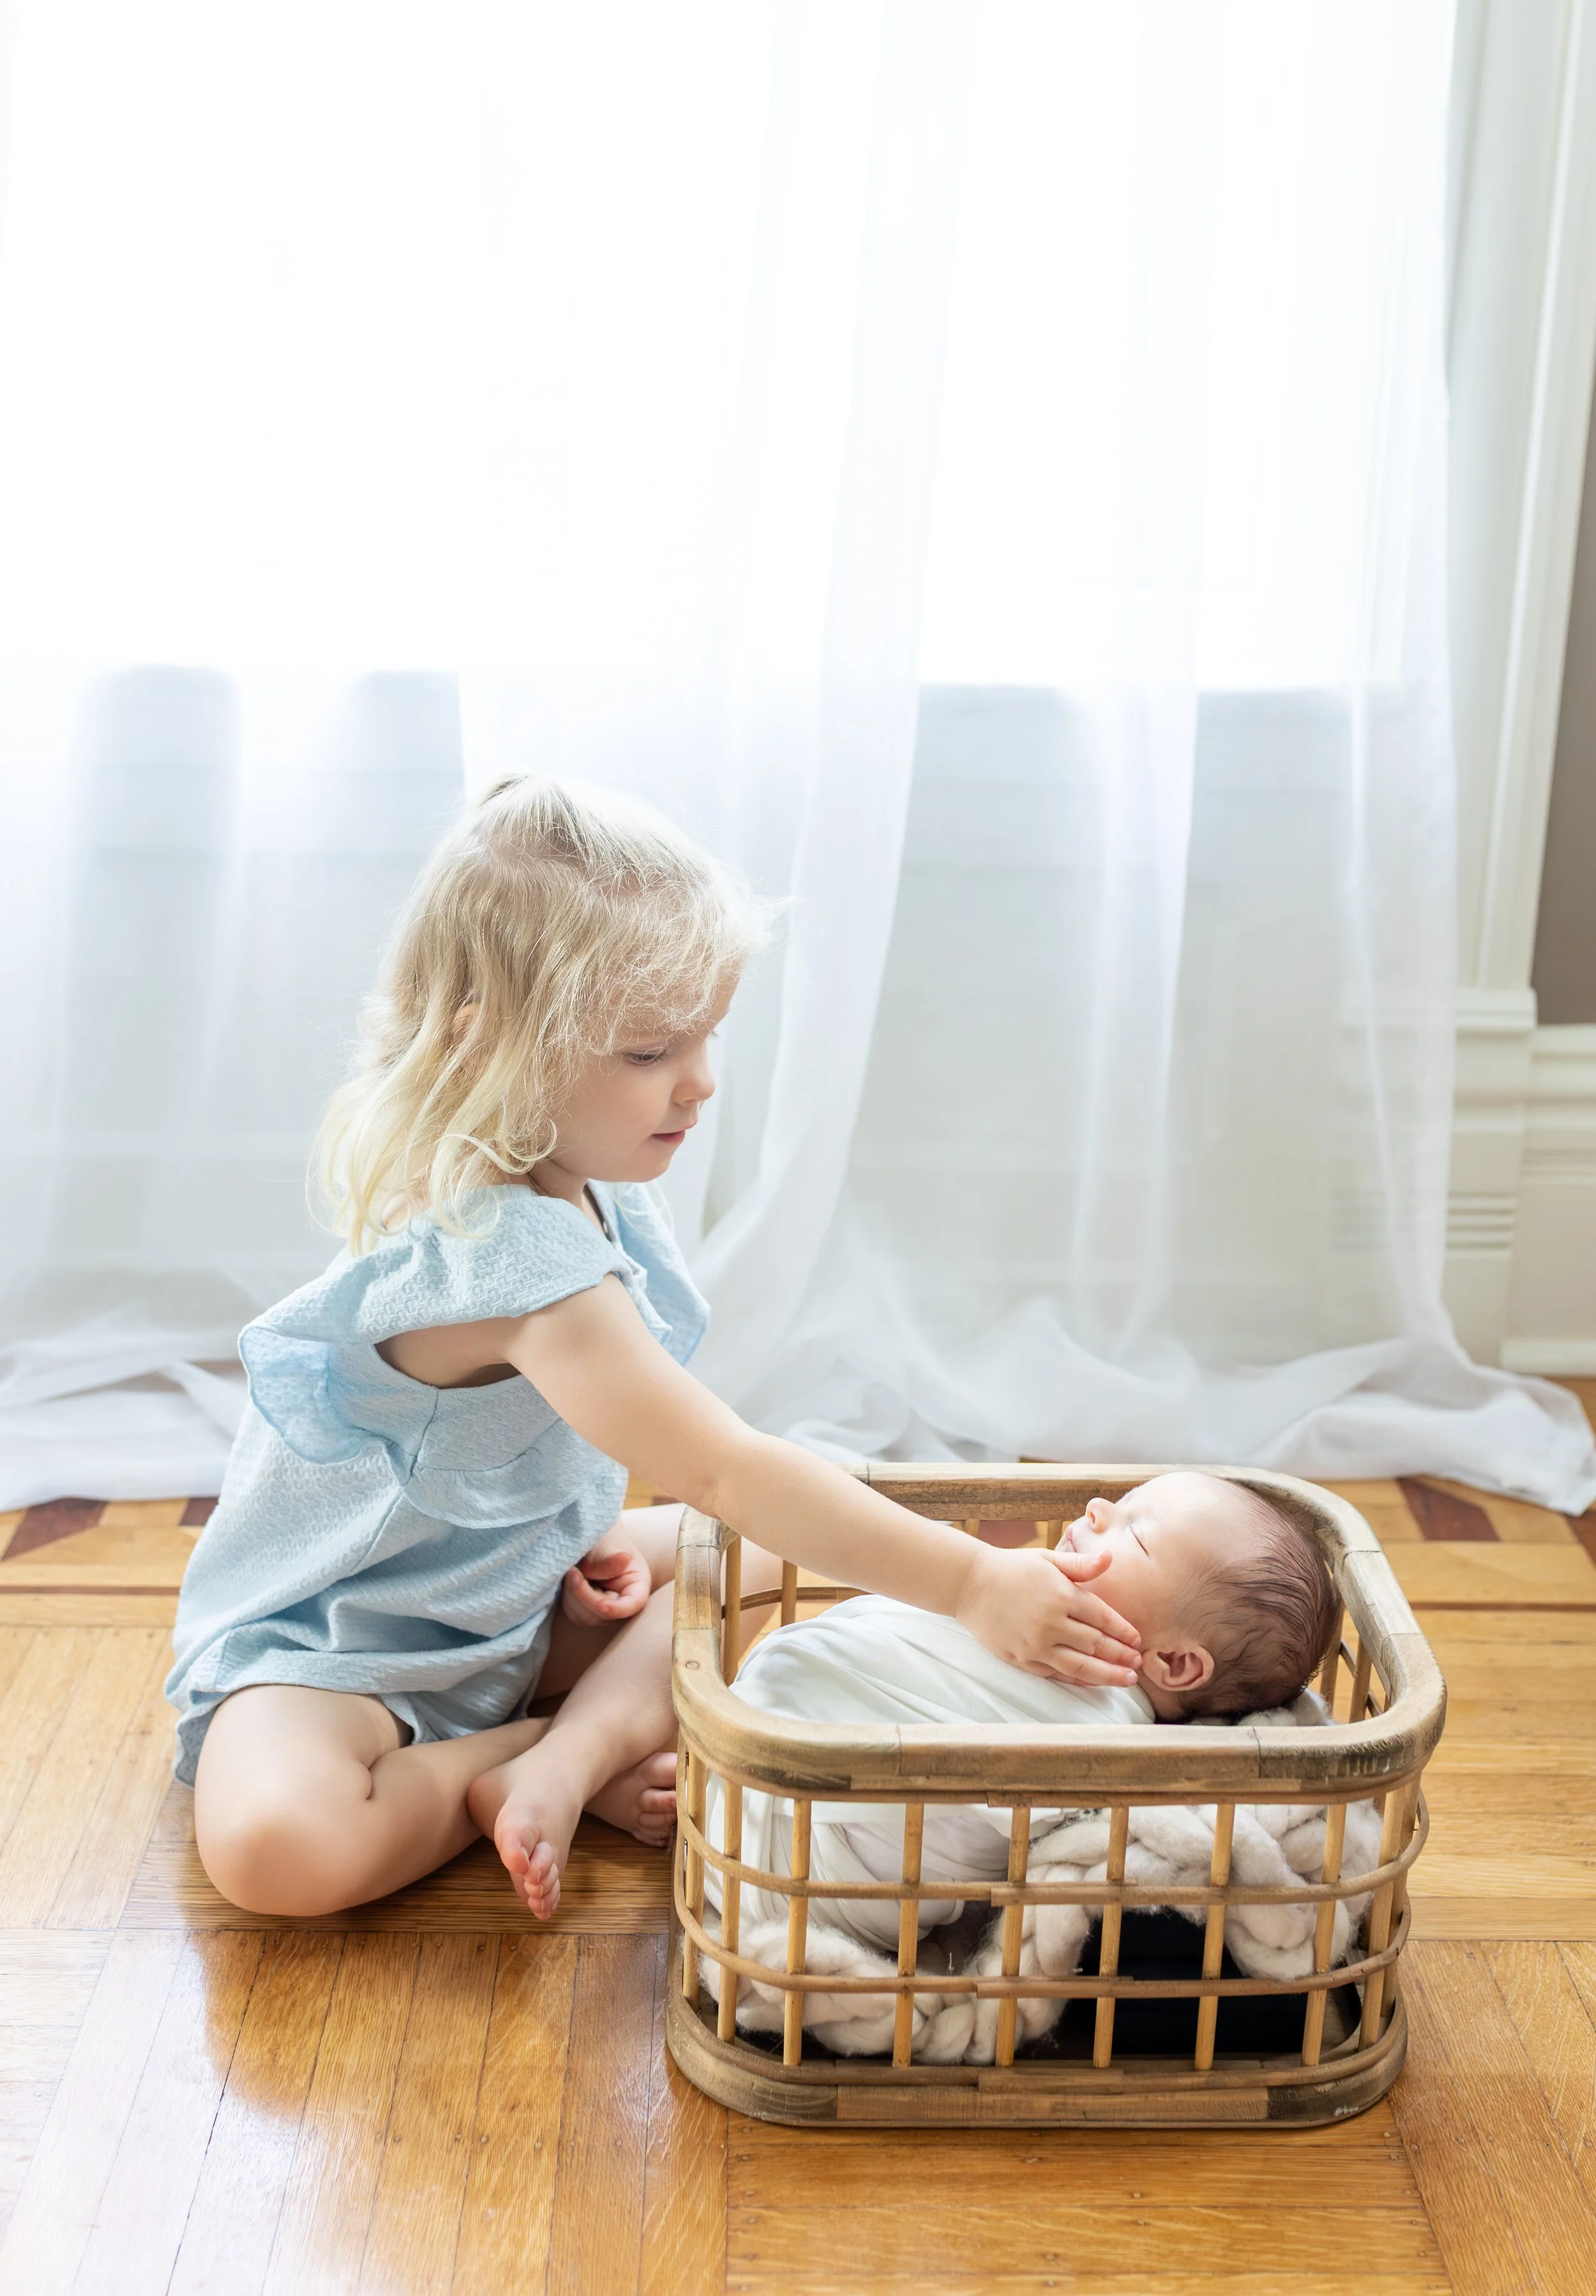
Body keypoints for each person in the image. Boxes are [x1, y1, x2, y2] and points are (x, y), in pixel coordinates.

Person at [167, 780, 1144, 1921]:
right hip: (351, 1647)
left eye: (707, 1034)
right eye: (649, 1050)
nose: (702, 1079)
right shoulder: (499, 1250)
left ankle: (558, 1760)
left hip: (514, 1598)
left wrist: (581, 1549)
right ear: (487, 1047)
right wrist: (972, 1580)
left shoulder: (586, 1178)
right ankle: (552, 1754)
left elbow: (680, 1479)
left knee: (767, 1546)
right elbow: (718, 1463)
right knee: (280, 1851)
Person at [702, 1469, 1341, 1968]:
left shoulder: (1099, 1731)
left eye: (1134, 1532)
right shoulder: (1030, 1617)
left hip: (784, 1864)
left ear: (1174, 1661)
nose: (1097, 1508)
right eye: (1121, 1500)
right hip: (756, 1788)